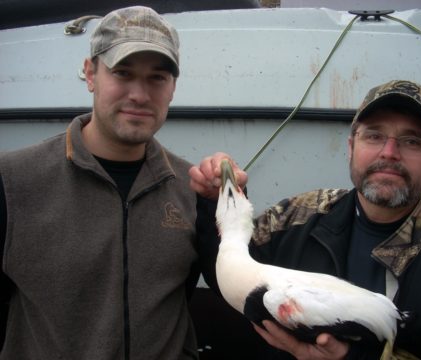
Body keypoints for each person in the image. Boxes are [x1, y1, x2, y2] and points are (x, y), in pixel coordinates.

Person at [0, 6, 245, 360]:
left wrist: (226, 203)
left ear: (173, 87)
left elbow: (233, 290)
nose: (140, 95)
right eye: (123, 72)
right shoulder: (14, 182)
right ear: (90, 74)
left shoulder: (191, 192)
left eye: (157, 78)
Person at [190, 80, 421, 359]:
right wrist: (216, 201)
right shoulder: (298, 215)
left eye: (412, 141)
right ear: (351, 146)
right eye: (374, 135)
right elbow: (230, 279)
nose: (389, 153)